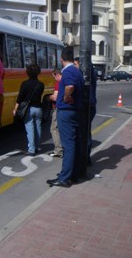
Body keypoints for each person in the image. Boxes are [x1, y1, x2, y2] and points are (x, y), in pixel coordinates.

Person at [47, 47, 84, 188]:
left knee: (68, 145)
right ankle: (72, 174)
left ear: (61, 59)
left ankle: (64, 178)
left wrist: (67, 97)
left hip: (66, 111)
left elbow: (69, 86)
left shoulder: (68, 71)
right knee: (74, 144)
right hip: (74, 111)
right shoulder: (77, 70)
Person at [13, 64, 44, 156]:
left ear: (28, 73)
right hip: (38, 108)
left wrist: (15, 108)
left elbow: (20, 97)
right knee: (38, 127)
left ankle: (31, 149)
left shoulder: (25, 83)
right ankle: (37, 146)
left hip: (28, 109)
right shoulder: (41, 84)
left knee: (30, 129)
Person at [74, 57, 97, 166]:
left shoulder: (87, 73)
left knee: (84, 133)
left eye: (75, 64)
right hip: (89, 105)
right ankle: (85, 157)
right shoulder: (86, 74)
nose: (74, 66)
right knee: (85, 132)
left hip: (88, 106)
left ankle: (84, 157)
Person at [48, 68, 63, 158]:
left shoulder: (58, 83)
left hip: (58, 108)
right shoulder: (66, 81)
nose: (54, 79)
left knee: (54, 129)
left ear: (57, 75)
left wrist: (49, 97)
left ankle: (58, 150)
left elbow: (55, 97)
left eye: (54, 77)